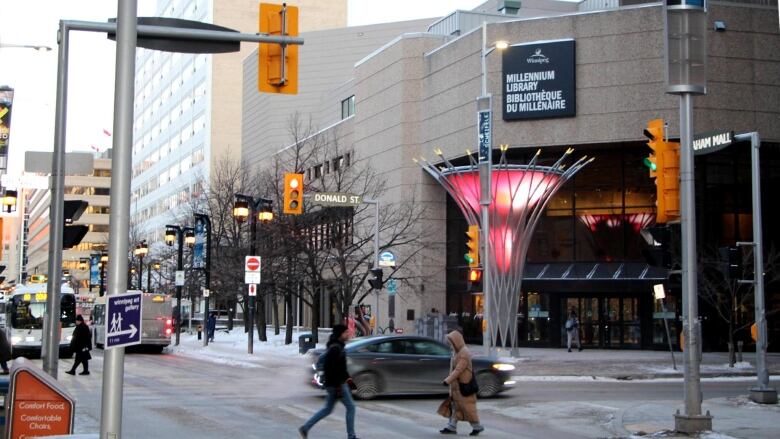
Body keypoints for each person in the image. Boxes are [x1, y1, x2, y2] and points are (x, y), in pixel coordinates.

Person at [299, 324, 359, 439]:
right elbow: (331, 368)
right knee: (351, 408)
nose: (348, 334)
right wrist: (338, 387)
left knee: (327, 409)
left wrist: (351, 384)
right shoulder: (335, 348)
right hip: (337, 384)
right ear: (340, 334)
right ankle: (351, 436)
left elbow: (341, 369)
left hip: (335, 384)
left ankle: (305, 428)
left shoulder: (337, 346)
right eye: (346, 332)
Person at [438, 330, 484, 436]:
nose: (449, 345)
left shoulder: (464, 353)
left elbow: (458, 370)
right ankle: (451, 427)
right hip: (457, 386)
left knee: (467, 408)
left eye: (451, 342)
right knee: (456, 407)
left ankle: (477, 426)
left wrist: (447, 380)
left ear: (456, 341)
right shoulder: (457, 352)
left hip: (464, 386)